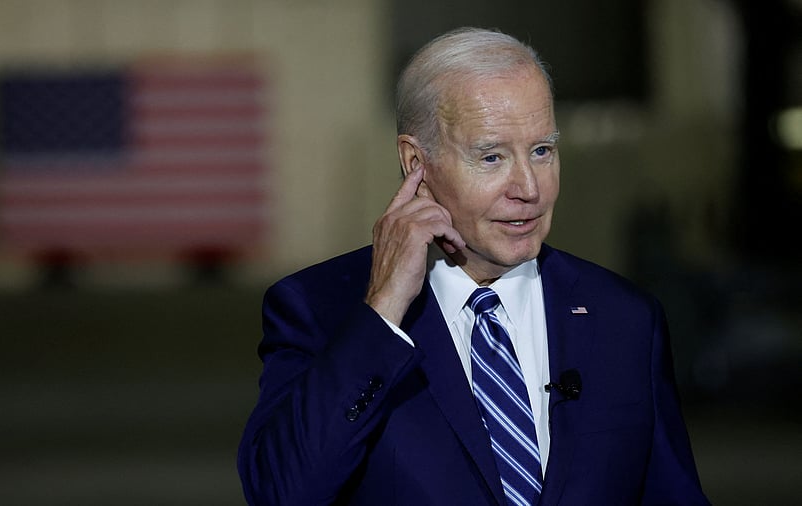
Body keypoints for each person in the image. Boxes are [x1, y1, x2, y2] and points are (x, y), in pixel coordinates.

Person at [237, 27, 710, 505]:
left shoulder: (625, 319)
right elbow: (280, 492)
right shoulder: (317, 310)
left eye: (542, 151)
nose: (529, 188)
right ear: (415, 163)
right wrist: (383, 311)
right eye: (492, 157)